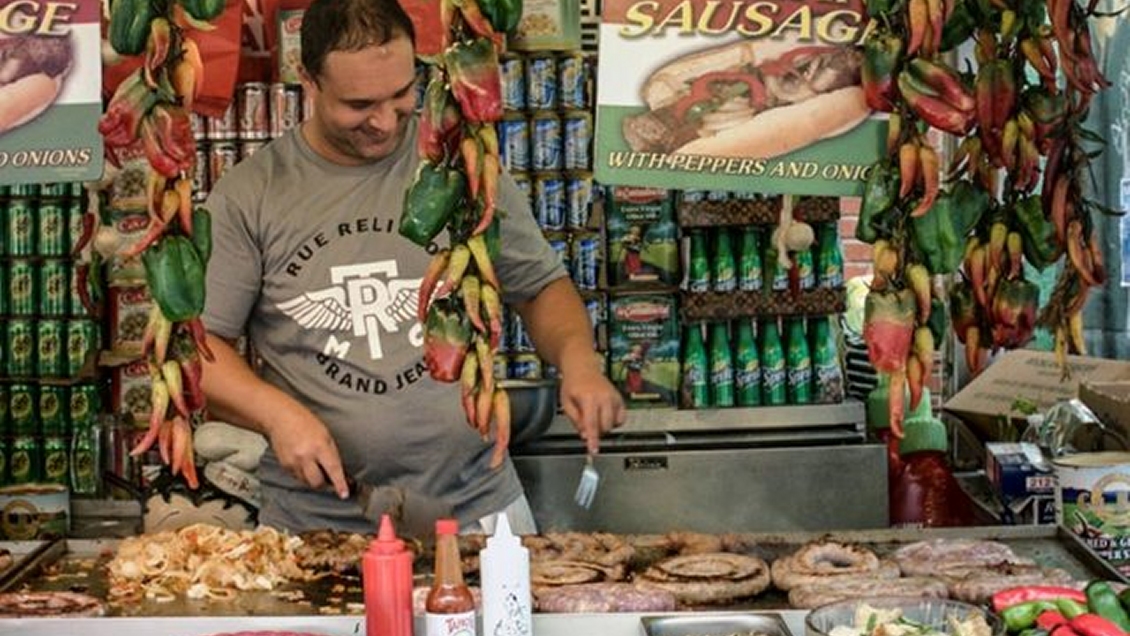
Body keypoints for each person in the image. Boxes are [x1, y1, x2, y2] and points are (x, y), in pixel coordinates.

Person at [199, 0, 625, 535]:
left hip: (481, 511)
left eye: (401, 95)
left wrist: (579, 362)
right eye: (359, 104)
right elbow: (199, 346)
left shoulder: (461, 165)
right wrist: (275, 414)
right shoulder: (251, 194)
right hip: (316, 525)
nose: (383, 121)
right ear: (307, 82)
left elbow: (540, 288)